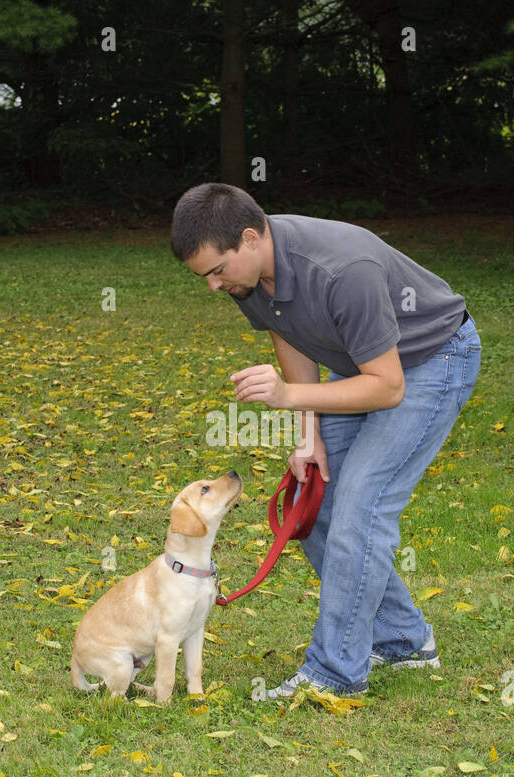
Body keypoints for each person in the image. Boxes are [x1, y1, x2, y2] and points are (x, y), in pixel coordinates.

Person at [170, 183, 481, 698]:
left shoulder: (341, 270)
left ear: (250, 239)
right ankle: (403, 639)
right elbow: (288, 333)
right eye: (204, 276)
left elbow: (387, 387)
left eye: (217, 271)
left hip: (430, 362)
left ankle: (334, 675)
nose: (213, 286)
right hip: (361, 368)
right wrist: (307, 436)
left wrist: (290, 394)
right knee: (310, 505)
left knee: (361, 508)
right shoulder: (251, 277)